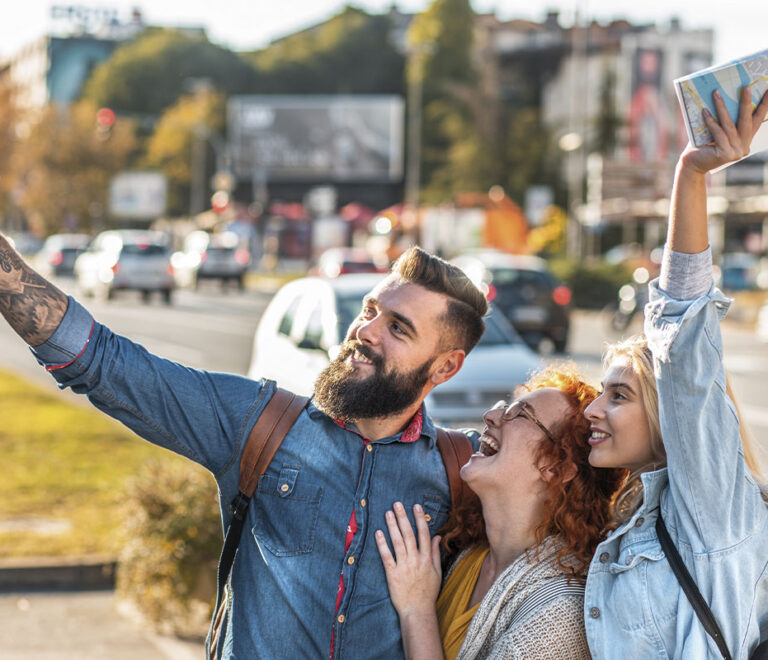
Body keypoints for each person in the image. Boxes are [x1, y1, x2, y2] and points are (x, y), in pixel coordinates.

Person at [0, 243, 488, 659]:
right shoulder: (259, 426)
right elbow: (103, 363)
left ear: (445, 367)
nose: (365, 330)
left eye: (398, 328)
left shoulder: (465, 473)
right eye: (369, 310)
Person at [583, 86, 768, 658]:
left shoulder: (713, 503)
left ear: (669, 416)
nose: (593, 409)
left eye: (618, 396)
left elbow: (684, 347)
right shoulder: (632, 517)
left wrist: (691, 174)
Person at [375, 364, 627, 659]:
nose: (490, 415)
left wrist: (416, 610)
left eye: (519, 414)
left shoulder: (558, 616)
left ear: (555, 468)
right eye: (502, 408)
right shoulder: (468, 553)